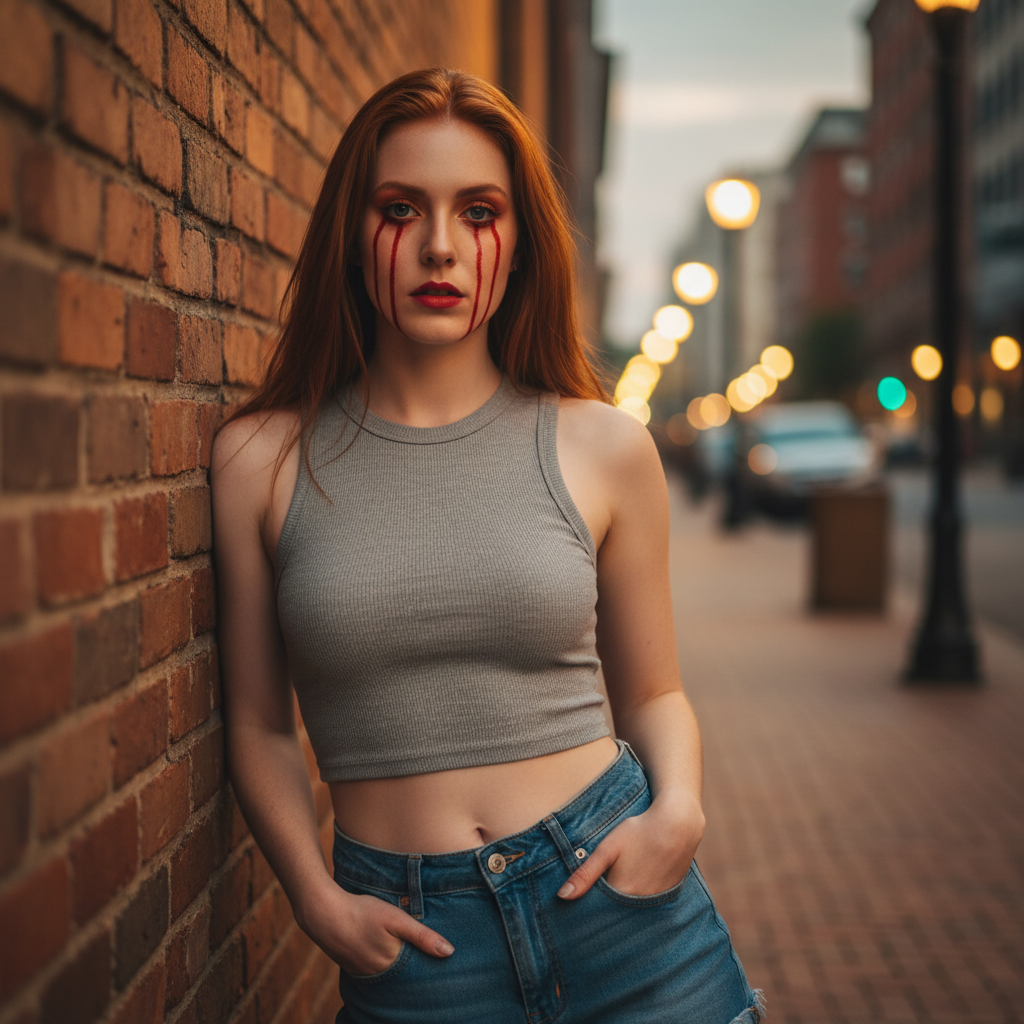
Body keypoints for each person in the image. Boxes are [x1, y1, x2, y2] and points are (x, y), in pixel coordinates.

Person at [211, 67, 762, 1023]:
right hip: (415, 949)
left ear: (515, 248)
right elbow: (258, 724)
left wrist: (678, 813)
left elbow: (654, 692)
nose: (439, 246)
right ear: (352, 234)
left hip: (623, 911)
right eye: (399, 208)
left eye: (478, 212)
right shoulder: (261, 460)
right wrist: (314, 897)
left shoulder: (603, 446)